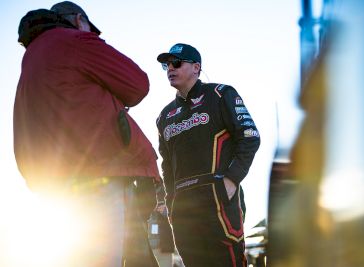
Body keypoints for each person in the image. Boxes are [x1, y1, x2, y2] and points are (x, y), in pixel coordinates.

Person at [14, 2, 161, 266]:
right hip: (100, 178)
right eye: (91, 29)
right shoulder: (75, 40)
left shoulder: (31, 60)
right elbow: (137, 84)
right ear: (79, 20)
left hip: (53, 186)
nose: (95, 36)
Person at [155, 43, 261, 267]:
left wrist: (232, 179)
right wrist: (170, 201)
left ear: (196, 67)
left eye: (176, 63)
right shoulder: (164, 116)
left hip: (217, 197)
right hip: (183, 206)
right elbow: (166, 165)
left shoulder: (221, 94)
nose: (170, 69)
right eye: (166, 65)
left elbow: (250, 136)